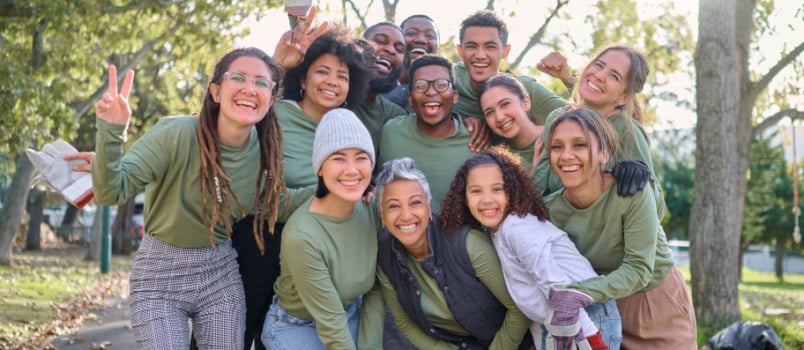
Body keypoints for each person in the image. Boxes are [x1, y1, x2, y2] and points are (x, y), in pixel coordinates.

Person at [91, 47, 289, 349]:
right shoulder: (177, 133)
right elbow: (111, 191)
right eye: (238, 77)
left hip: (218, 274)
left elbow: (279, 203)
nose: (250, 88)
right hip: (159, 274)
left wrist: (338, 191)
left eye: (261, 82)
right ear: (216, 91)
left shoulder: (266, 154)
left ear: (271, 99)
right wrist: (112, 131)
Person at [439, 146, 621, 349]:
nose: (487, 199)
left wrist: (595, 342)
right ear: (464, 198)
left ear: (513, 190)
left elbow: (558, 287)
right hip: (560, 320)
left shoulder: (517, 228)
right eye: (476, 191)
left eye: (497, 189)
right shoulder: (497, 230)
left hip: (587, 316)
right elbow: (530, 296)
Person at [543, 108, 696, 348]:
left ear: (604, 153)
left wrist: (578, 293)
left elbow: (638, 269)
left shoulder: (632, 193)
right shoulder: (550, 211)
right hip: (597, 310)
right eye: (557, 147)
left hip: (653, 302)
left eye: (580, 145)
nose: (566, 155)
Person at [374, 157, 531, 350]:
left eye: (415, 203)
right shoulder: (384, 254)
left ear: (428, 207)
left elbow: (518, 309)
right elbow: (405, 323)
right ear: (382, 215)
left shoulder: (467, 244)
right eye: (394, 206)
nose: (406, 215)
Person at [262, 108, 382, 349]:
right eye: (338, 158)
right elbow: (332, 323)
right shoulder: (301, 235)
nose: (352, 169)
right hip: (298, 326)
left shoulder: (372, 207)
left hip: (352, 311)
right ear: (319, 167)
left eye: (361, 157)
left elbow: (379, 288)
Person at [533, 46, 661, 212]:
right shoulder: (557, 118)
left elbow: (656, 207)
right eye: (599, 65)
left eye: (614, 76)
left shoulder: (627, 130)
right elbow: (539, 187)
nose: (600, 76)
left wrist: (640, 179)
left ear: (623, 98)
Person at [378, 54, 478, 213]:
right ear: (410, 99)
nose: (431, 92)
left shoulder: (476, 142)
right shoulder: (390, 131)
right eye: (420, 86)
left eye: (441, 84)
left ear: (455, 96)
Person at [453, 10, 570, 126]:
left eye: (490, 47)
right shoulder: (447, 78)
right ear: (460, 50)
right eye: (471, 46)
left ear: (505, 51)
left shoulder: (523, 88)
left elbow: (577, 115)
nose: (480, 55)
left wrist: (569, 79)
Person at [384, 14, 440, 111]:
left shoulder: (446, 90)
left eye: (430, 36)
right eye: (411, 34)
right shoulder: (378, 85)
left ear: (438, 47)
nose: (421, 40)